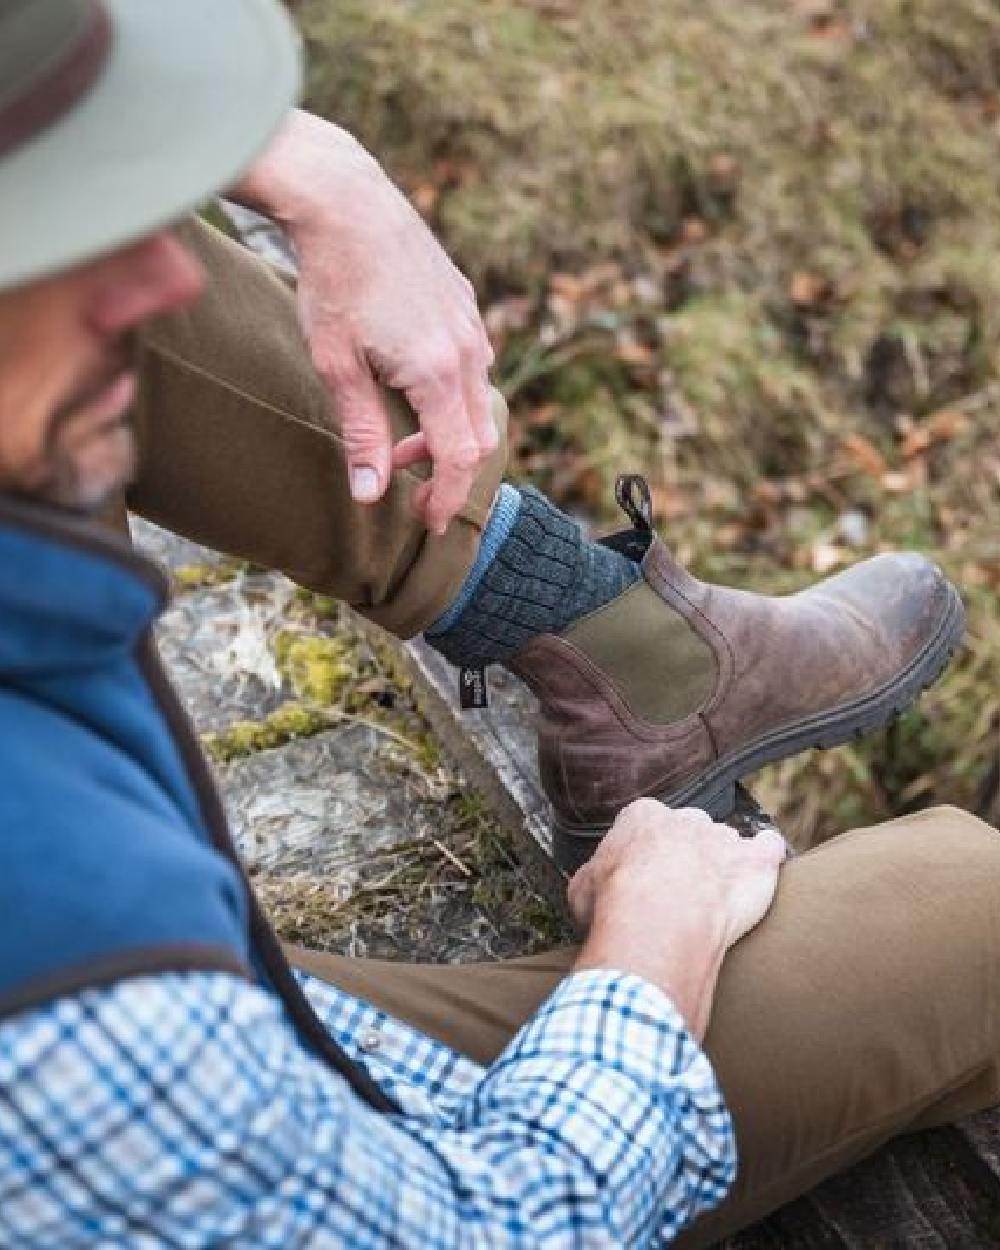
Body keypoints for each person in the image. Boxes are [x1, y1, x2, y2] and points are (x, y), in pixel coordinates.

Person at [0, 2, 997, 1247]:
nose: (161, 264)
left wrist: (299, 155)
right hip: (194, 1076)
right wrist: (650, 949)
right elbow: (503, 1229)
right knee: (977, 906)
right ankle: (643, 668)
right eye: (50, 250)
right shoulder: (85, 1004)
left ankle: (617, 643)